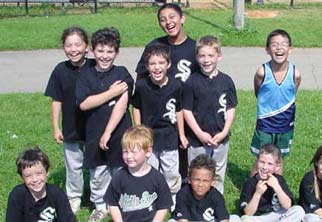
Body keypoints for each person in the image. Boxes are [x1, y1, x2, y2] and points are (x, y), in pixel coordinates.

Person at [75, 27, 134, 222]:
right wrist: (111, 92)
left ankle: (121, 202)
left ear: (117, 52)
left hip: (119, 134)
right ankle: (100, 205)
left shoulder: (122, 73)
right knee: (98, 172)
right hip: (93, 132)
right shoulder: (85, 75)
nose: (105, 56)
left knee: (120, 169)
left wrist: (108, 133)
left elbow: (122, 104)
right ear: (92, 50)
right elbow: (84, 103)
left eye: (110, 51)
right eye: (100, 51)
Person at [44, 26, 96, 214]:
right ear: (63, 47)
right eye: (68, 45)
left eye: (77, 45)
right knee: (73, 167)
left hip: (93, 129)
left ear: (87, 46)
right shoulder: (60, 70)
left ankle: (99, 200)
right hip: (71, 128)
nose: (73, 49)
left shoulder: (95, 66)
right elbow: (56, 100)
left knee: (97, 167)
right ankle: (73, 197)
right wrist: (56, 127)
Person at [183, 35, 238, 193]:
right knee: (197, 172)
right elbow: (186, 110)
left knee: (218, 171)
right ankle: (195, 200)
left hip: (220, 138)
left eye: (210, 55)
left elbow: (230, 108)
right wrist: (199, 133)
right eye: (202, 56)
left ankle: (215, 198)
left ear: (219, 56)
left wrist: (225, 131)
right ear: (196, 57)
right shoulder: (191, 82)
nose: (206, 60)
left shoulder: (226, 81)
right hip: (197, 140)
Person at [132, 44, 188, 199]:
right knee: (151, 168)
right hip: (149, 137)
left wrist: (182, 135)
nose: (157, 68)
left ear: (168, 65)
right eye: (152, 64)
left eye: (161, 63)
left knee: (170, 170)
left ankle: (173, 195)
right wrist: (138, 130)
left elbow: (179, 110)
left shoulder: (176, 85)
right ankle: (152, 196)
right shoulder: (142, 86)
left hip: (169, 135)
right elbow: (136, 107)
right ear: (147, 66)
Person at [250, 29, 301, 174]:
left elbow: (292, 93)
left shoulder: (295, 74)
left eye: (284, 44)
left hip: (285, 124)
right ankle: (251, 189)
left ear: (290, 49)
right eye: (274, 45)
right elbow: (258, 93)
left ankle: (275, 192)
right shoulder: (262, 72)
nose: (279, 48)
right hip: (265, 124)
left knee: (278, 160)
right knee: (262, 159)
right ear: (267, 49)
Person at [104, 125, 173, 222]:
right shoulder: (119, 177)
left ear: (148, 152)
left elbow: (163, 206)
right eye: (125, 151)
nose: (129, 156)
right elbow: (112, 204)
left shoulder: (157, 178)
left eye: (133, 152)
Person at [6, 147, 76, 222]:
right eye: (28, 176)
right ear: (22, 177)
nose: (35, 180)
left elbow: (68, 219)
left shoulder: (56, 193)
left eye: (39, 173)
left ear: (47, 172)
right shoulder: (17, 195)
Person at [239, 144, 305, 222]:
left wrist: (277, 187)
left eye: (269, 164)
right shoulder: (250, 182)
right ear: (256, 162)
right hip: (259, 218)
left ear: (277, 167)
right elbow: (248, 213)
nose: (264, 167)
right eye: (262, 162)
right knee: (244, 219)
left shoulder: (279, 180)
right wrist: (258, 193)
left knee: (298, 210)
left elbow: (287, 205)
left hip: (277, 215)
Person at [135, 3, 199, 82]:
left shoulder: (196, 48)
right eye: (163, 20)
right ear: (160, 24)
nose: (168, 22)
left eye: (172, 17)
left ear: (182, 18)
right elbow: (141, 78)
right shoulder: (154, 46)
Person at [171, 154, 240, 222]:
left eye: (205, 181)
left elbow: (223, 218)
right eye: (197, 180)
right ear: (189, 179)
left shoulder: (216, 196)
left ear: (212, 182)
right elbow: (182, 220)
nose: (200, 184)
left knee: (235, 218)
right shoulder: (182, 194)